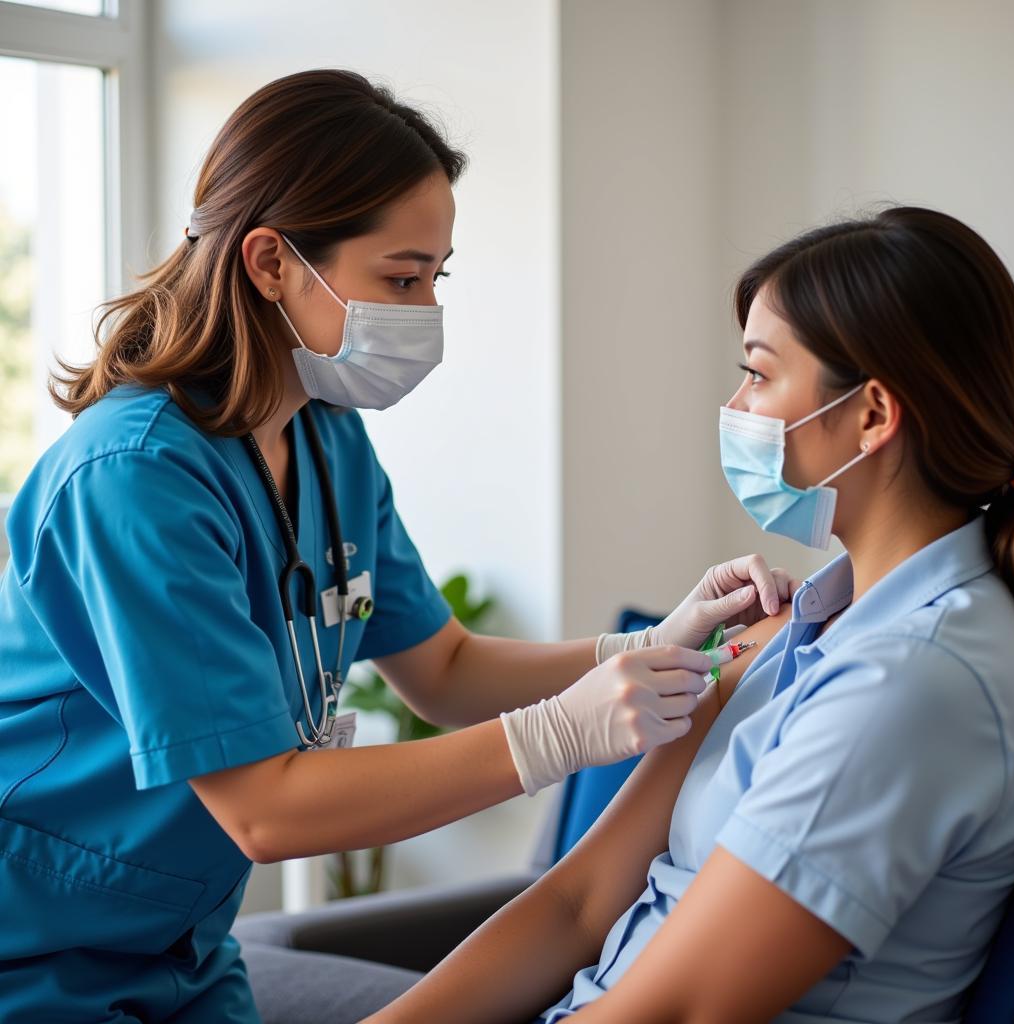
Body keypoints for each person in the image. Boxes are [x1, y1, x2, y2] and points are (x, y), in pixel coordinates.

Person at [0, 69, 792, 1023]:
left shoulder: (327, 438)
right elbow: (266, 810)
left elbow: (444, 668)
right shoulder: (132, 480)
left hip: (179, 949)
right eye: (400, 278)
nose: (423, 312)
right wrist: (559, 735)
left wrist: (643, 648)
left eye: (434, 278)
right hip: (33, 941)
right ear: (270, 263)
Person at [365, 206, 1014, 1024]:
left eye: (758, 372)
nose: (736, 404)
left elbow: (682, 1009)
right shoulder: (797, 626)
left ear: (872, 416)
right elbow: (578, 899)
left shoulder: (917, 681)